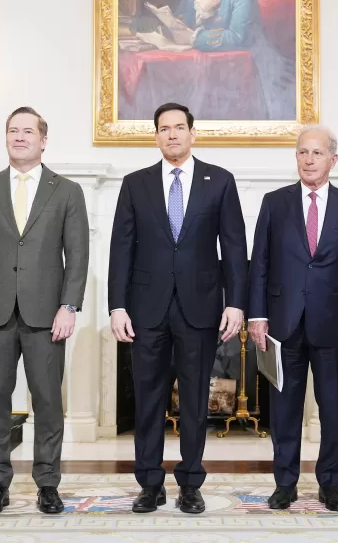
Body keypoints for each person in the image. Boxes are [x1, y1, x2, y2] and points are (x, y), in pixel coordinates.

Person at [108, 102, 248, 514]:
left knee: (193, 400)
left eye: (179, 127)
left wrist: (236, 302)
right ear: (155, 135)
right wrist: (117, 306)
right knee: (148, 400)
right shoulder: (135, 183)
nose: (172, 134)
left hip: (200, 307)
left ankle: (190, 482)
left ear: (192, 133)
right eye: (164, 128)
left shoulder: (219, 181)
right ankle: (149, 483)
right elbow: (121, 248)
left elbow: (235, 248)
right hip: (145, 309)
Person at [0, 107, 90, 515]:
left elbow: (78, 255)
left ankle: (48, 484)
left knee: (48, 401)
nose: (20, 137)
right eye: (13, 130)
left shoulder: (67, 191)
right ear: (6, 138)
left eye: (28, 131)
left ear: (43, 140)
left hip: (47, 316)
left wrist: (69, 306)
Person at [247, 124, 338, 512]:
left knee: (333, 407)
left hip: (333, 323)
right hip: (283, 323)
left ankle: (330, 485)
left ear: (333, 159)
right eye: (303, 152)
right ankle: (285, 483)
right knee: (283, 410)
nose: (309, 159)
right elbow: (260, 265)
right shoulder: (274, 202)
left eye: (317, 153)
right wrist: (257, 315)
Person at [173, 0, 295, 120]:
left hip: (255, 68)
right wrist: (201, 11)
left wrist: (194, 38)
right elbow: (182, 25)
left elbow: (236, 38)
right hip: (212, 68)